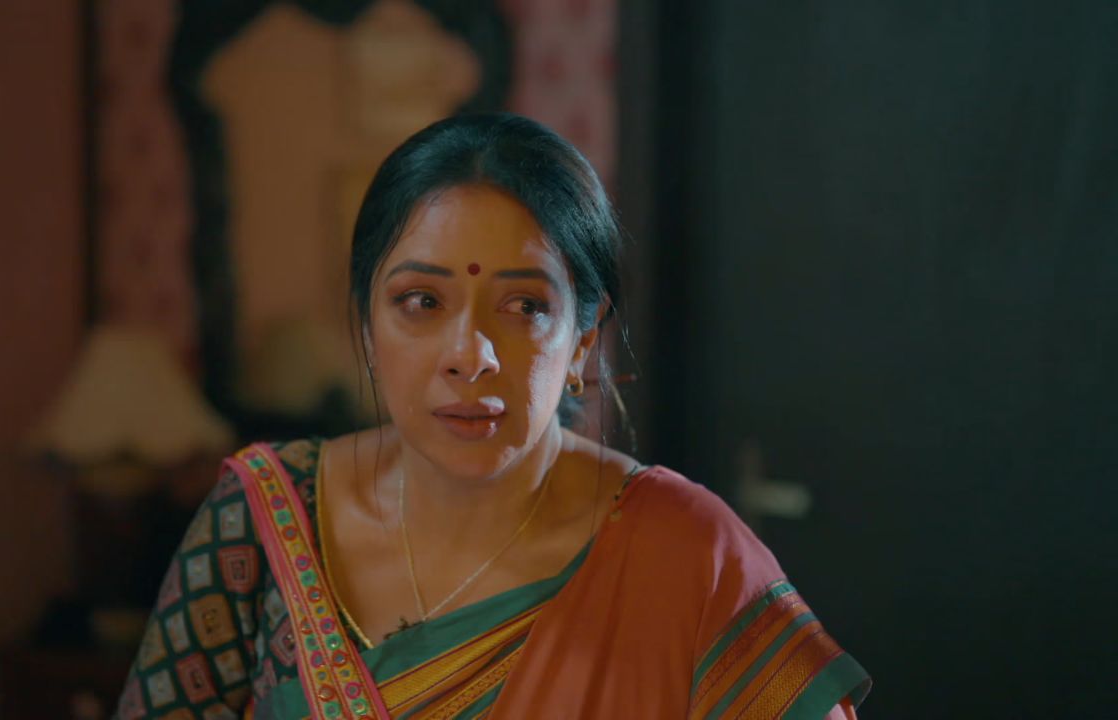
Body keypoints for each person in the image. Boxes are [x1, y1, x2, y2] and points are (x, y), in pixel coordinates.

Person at [112, 113, 870, 719]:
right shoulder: (262, 525)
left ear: (583, 339)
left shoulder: (690, 554)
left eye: (524, 306)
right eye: (421, 302)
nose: (469, 355)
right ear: (368, 328)